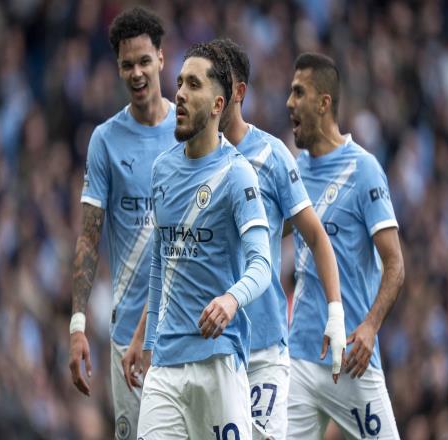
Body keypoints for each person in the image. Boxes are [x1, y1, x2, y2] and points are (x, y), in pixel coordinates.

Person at [136, 42, 271, 439]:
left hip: (218, 361)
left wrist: (231, 300)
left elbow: (262, 265)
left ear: (217, 105)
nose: (179, 93)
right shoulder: (161, 170)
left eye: (193, 85)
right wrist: (149, 342)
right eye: (179, 83)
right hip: (165, 367)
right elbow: (160, 260)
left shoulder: (237, 174)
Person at [212, 38, 346, 440]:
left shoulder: (271, 156)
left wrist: (335, 314)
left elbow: (316, 236)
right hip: (209, 347)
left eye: (219, 83)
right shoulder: (190, 159)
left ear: (238, 91)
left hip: (264, 347)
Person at [67, 7, 176, 440]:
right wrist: (77, 325)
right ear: (117, 67)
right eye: (127, 64)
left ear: (162, 58)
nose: (137, 73)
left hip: (183, 327)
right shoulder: (105, 141)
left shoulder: (190, 131)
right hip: (126, 333)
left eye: (144, 61)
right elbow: (88, 239)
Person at [286, 52, 405, 439]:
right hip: (300, 358)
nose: (289, 103)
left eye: (298, 92)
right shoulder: (294, 172)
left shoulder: (364, 169)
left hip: (351, 357)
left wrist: (370, 327)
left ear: (324, 103)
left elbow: (395, 265)